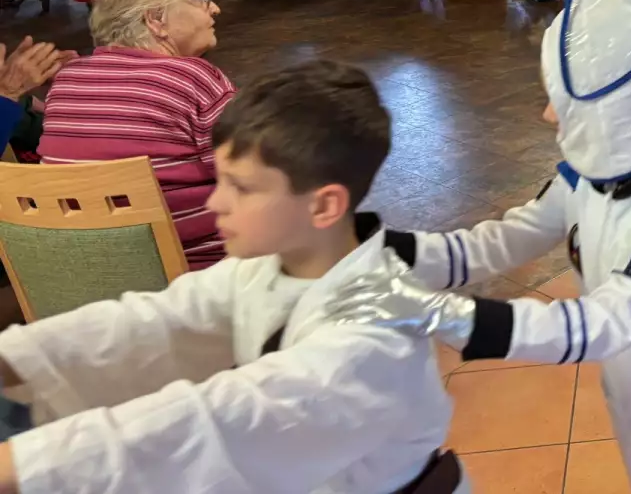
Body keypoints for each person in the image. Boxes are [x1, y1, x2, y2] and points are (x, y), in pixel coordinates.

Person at [324, 0, 631, 494]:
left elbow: (607, 321)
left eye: (565, 101)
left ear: (622, 110)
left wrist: (445, 315)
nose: (548, 114)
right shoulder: (586, 178)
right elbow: (503, 242)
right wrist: (377, 249)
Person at [0, 62, 461, 492]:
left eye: (240, 187)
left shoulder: (370, 337)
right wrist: (13, 356)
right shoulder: (267, 270)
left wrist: (24, 462)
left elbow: (210, 422)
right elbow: (154, 320)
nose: (214, 202)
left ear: (323, 205)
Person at [39, 0, 233, 270]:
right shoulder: (193, 79)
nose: (215, 8)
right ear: (156, 19)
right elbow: (259, 178)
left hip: (93, 274)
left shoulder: (67, 81)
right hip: (200, 275)